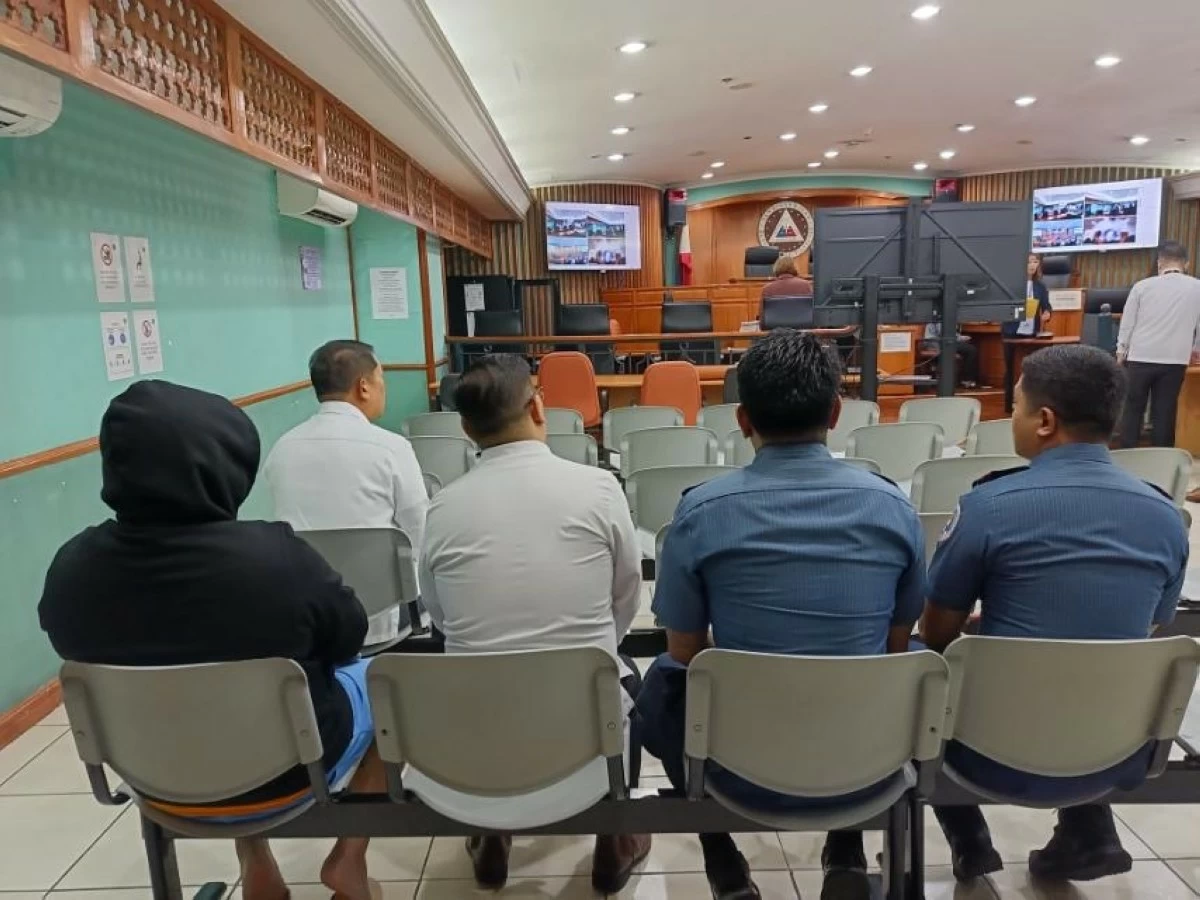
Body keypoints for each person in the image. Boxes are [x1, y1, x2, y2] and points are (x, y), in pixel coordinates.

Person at [39, 381, 385, 900]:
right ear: (228, 464)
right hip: (292, 775)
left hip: (156, 782)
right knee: (384, 683)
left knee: (206, 723)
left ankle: (255, 861)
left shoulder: (72, 569)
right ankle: (350, 855)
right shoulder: (276, 559)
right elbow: (349, 635)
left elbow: (67, 639)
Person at [639, 330, 926, 900]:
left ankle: (721, 858)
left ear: (742, 420)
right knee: (909, 666)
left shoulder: (699, 512)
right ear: (836, 412)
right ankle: (845, 847)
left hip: (738, 763)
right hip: (862, 759)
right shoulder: (894, 505)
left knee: (662, 686)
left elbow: (684, 653)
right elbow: (896, 644)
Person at [921, 345, 1188, 884]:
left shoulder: (987, 508)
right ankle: (1088, 831)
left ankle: (968, 835)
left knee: (915, 668)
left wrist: (991, 640)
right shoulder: (1166, 517)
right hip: (1115, 750)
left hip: (987, 753)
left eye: (1014, 408)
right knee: (1093, 657)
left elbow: (938, 633)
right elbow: (1149, 629)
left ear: (1044, 421)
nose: (1011, 419)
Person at [417, 354, 650, 895]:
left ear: (467, 429)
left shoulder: (443, 507)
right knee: (624, 674)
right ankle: (612, 839)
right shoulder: (597, 488)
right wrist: (596, 648)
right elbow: (625, 595)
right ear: (539, 406)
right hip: (583, 719)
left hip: (479, 724)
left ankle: (492, 829)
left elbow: (442, 618)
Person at [264, 339, 428, 643]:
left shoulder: (282, 449)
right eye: (382, 379)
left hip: (306, 615)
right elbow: (420, 531)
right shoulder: (392, 449)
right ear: (363, 386)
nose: (384, 389)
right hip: (381, 615)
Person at [1116, 241, 1200, 449]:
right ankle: (1163, 459)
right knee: (1165, 411)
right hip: (1175, 359)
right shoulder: (1197, 287)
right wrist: (1195, 349)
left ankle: (1128, 454)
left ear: (1159, 262)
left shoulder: (1142, 286)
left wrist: (1120, 350)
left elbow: (1128, 322)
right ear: (1186, 264)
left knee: (1133, 409)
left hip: (1140, 357)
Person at [922, 315, 980, 388]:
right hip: (938, 343)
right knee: (971, 350)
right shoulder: (941, 317)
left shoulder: (942, 316)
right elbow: (945, 333)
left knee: (969, 348)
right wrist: (960, 338)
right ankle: (967, 380)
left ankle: (965, 379)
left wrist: (960, 338)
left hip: (943, 342)